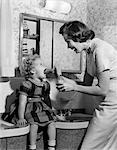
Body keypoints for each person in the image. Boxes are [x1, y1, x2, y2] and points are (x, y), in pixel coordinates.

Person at [56, 21, 117, 150]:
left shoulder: (100, 50)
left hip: (113, 103)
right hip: (106, 102)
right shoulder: (89, 51)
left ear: (77, 37)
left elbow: (102, 90)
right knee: (108, 146)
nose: (68, 46)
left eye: (68, 42)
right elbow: (86, 84)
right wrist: (67, 81)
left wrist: (73, 87)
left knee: (89, 146)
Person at [17, 54, 56, 150]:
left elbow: (47, 99)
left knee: (52, 122)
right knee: (34, 124)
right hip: (31, 108)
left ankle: (51, 146)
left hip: (42, 106)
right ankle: (32, 146)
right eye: (41, 65)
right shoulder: (27, 84)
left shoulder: (45, 84)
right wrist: (21, 117)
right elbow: (22, 102)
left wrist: (51, 110)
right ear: (33, 71)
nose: (45, 67)